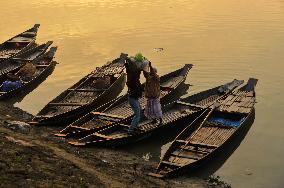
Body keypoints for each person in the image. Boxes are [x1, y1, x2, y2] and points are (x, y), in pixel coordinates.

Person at [124, 57, 147, 133]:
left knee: (139, 112)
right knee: (137, 114)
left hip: (134, 98)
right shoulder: (134, 79)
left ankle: (135, 126)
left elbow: (130, 69)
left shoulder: (131, 75)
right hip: (133, 99)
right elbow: (136, 71)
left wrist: (128, 61)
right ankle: (130, 130)